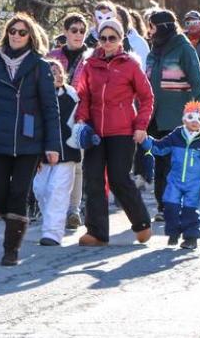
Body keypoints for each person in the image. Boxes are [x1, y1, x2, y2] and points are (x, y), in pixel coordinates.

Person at [0, 14, 61, 265]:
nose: (16, 35)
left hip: (30, 140)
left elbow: (51, 108)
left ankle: (11, 249)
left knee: (18, 193)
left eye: (22, 32)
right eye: (12, 31)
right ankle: (16, 223)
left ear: (30, 37)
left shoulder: (39, 65)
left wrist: (52, 145)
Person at [75, 19, 154, 246]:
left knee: (119, 179)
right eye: (103, 38)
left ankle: (141, 224)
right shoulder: (90, 64)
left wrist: (141, 126)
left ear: (120, 39)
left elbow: (147, 97)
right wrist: (82, 120)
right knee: (93, 179)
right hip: (94, 132)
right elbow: (83, 95)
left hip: (122, 130)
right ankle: (97, 233)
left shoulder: (130, 64)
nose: (107, 42)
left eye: (112, 37)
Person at [145, 10, 200, 220]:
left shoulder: (183, 49)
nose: (149, 31)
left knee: (173, 164)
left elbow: (197, 84)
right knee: (160, 164)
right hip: (155, 117)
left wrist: (199, 115)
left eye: (152, 27)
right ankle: (163, 206)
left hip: (178, 117)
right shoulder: (154, 52)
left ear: (163, 27)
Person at [141, 101, 200, 250]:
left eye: (199, 119)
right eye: (191, 117)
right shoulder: (176, 135)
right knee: (170, 206)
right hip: (174, 180)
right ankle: (173, 231)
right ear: (184, 118)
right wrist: (146, 140)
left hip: (194, 183)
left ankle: (191, 237)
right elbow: (160, 148)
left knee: (190, 210)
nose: (195, 121)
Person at [47, 13, 92, 229]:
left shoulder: (92, 57)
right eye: (74, 30)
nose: (78, 34)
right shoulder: (52, 55)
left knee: (77, 165)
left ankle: (73, 210)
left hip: (79, 116)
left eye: (82, 31)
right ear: (65, 32)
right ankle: (50, 206)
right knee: (51, 163)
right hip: (53, 115)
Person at [31, 58, 81, 246]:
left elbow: (79, 119)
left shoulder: (72, 96)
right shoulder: (35, 97)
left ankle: (53, 232)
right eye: (52, 72)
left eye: (60, 71)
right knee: (41, 188)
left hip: (67, 152)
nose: (58, 75)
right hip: (41, 154)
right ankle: (50, 220)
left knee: (57, 190)